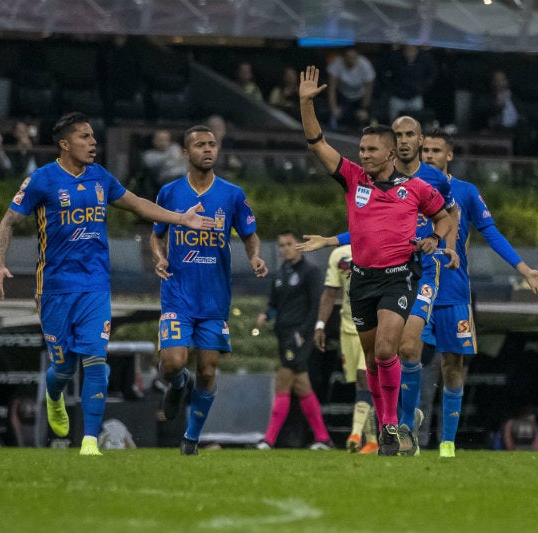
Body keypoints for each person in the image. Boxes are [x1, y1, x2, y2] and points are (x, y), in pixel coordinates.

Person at [0, 111, 215, 456]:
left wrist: (181, 218)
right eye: (84, 137)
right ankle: (54, 394)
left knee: (96, 360)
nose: (93, 142)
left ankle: (90, 441)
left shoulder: (100, 178)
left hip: (95, 285)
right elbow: (8, 222)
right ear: (65, 144)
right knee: (64, 366)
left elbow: (138, 204)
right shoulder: (42, 180)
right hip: (54, 287)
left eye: (93, 136)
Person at [298, 65, 454, 455]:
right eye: (361, 149)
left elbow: (445, 215)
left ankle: (394, 423)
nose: (363, 155)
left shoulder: (416, 188)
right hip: (362, 280)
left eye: (370, 150)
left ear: (389, 152)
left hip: (398, 277)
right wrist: (305, 104)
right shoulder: (353, 178)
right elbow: (317, 143)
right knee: (372, 359)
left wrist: (435, 238)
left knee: (387, 349)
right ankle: (386, 427)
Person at [419, 128, 538, 457]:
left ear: (449, 155)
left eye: (436, 150)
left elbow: (491, 233)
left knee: (452, 364)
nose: (429, 156)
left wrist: (523, 268)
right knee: (411, 362)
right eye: (425, 150)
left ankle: (447, 440)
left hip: (453, 291)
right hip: (415, 287)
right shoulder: (407, 189)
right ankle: (408, 434)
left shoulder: (465, 192)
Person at [150, 124, 268, 455]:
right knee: (174, 362)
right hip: (177, 293)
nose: (208, 149)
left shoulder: (231, 194)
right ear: (186, 153)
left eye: (212, 144)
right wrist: (159, 258)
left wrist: (255, 257)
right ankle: (176, 383)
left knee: (207, 369)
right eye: (200, 145)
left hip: (214, 299)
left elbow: (249, 234)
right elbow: (156, 233)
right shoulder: (170, 192)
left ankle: (191, 438)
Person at [255, 230, 333, 450]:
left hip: (299, 337)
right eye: (281, 245)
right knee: (302, 385)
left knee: (283, 379)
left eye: (289, 244)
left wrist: (304, 333)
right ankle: (323, 438)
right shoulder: (280, 273)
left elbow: (315, 305)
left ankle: (269, 439)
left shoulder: (311, 272)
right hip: (283, 335)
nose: (284, 248)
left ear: (299, 245)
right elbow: (274, 304)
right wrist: (266, 315)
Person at [313, 244, 378, 454]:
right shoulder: (340, 254)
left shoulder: (379, 247)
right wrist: (320, 325)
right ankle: (372, 441)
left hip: (374, 325)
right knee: (360, 385)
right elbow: (330, 293)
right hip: (348, 328)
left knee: (364, 377)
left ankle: (355, 433)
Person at [384, 44, 438, 121]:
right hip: (397, 96)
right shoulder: (395, 57)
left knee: (416, 122)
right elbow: (385, 73)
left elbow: (432, 74)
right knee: (395, 122)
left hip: (415, 96)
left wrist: (422, 87)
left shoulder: (424, 57)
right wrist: (392, 88)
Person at [326, 47, 375, 131]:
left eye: (354, 57)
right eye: (348, 57)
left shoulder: (365, 64)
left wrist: (364, 108)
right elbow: (332, 88)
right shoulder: (336, 64)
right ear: (343, 57)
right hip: (342, 95)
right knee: (334, 117)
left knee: (363, 117)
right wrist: (333, 107)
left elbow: (369, 89)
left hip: (360, 96)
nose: (351, 60)